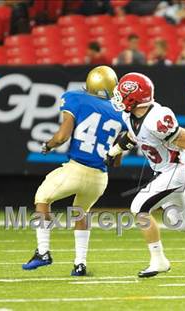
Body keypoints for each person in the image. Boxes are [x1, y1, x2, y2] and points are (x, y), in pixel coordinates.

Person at [105, 73, 185, 278]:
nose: (118, 99)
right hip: (163, 172)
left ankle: (159, 260)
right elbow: (132, 136)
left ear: (135, 98)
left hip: (176, 171)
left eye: (122, 94)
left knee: (138, 207)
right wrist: (113, 152)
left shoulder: (157, 118)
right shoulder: (129, 116)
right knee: (180, 221)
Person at [22, 66, 129, 276]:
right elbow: (116, 162)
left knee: (42, 197)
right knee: (81, 212)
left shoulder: (75, 98)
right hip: (100, 178)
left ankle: (43, 251)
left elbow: (62, 136)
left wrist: (48, 145)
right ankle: (80, 264)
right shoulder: (120, 114)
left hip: (76, 169)